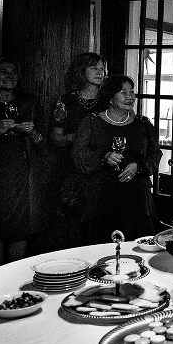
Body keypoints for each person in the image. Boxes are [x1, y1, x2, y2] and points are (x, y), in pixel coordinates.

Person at [73, 75, 162, 244]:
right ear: (110, 98)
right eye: (123, 92)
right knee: (101, 247)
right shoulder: (92, 121)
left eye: (132, 92)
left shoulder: (143, 123)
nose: (130, 97)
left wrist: (138, 166)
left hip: (137, 198)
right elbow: (78, 156)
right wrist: (103, 157)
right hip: (101, 198)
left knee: (137, 247)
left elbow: (155, 154)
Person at [50, 52, 107, 247]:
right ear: (82, 72)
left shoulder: (109, 100)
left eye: (102, 68)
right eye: (94, 68)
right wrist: (78, 137)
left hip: (102, 167)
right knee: (73, 222)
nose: (100, 72)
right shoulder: (66, 101)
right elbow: (55, 138)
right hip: (72, 168)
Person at [0, 56, 45, 267]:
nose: (10, 76)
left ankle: (13, 277)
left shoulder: (28, 102)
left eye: (13, 72)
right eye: (3, 71)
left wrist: (31, 131)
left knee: (20, 228)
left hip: (22, 174)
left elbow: (43, 143)